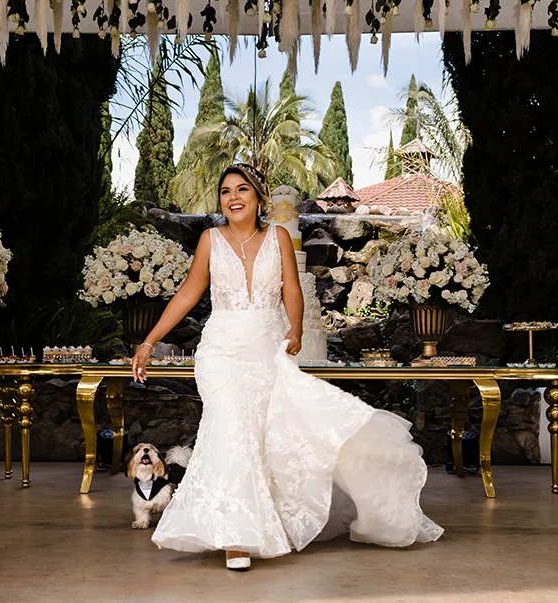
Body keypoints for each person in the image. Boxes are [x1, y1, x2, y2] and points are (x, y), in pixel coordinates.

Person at [131, 163, 442, 571]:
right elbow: (190, 292)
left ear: (258, 197)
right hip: (220, 350)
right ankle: (234, 536)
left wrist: (294, 329)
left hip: (265, 345)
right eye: (225, 191)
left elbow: (291, 289)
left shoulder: (277, 236)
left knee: (263, 434)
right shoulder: (209, 239)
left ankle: (266, 518)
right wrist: (150, 340)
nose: (233, 197)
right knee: (229, 429)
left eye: (242, 189)